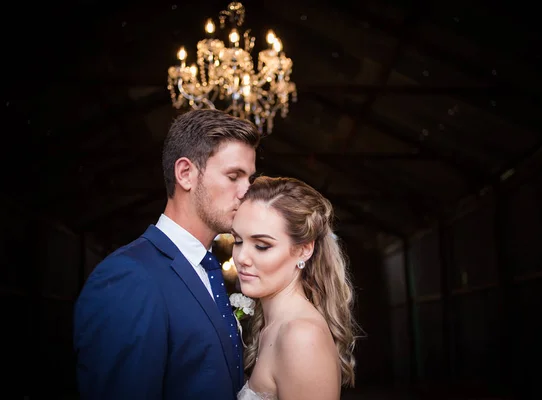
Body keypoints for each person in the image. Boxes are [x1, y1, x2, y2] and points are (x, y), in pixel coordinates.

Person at [73, 108, 261, 399]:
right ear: (185, 174)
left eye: (249, 178)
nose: (246, 192)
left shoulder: (207, 268)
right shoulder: (129, 277)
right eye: (234, 176)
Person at [231, 176, 358, 400]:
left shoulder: (300, 336)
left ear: (303, 250)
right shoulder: (272, 326)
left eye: (262, 246)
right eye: (238, 241)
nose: (241, 257)